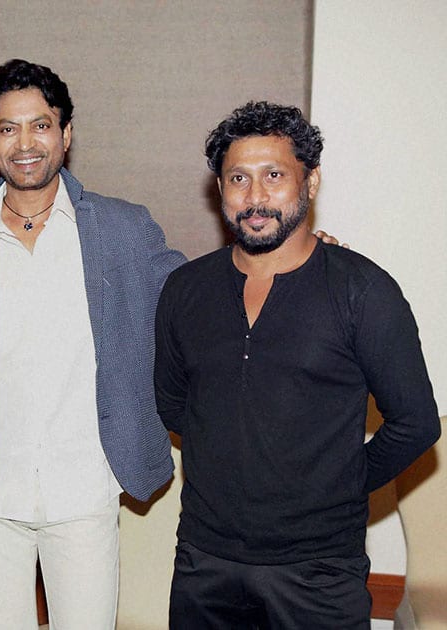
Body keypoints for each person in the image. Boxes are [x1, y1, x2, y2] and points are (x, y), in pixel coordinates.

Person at [0, 59, 187, 629]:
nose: (25, 143)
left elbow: (195, 299)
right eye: (8, 128)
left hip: (85, 487)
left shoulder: (122, 230)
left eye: (41, 125)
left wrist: (290, 258)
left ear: (66, 134)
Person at [154, 101, 441, 629]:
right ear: (219, 190)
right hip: (205, 561)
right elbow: (173, 404)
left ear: (309, 184)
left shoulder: (363, 291)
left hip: (319, 571)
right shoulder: (185, 289)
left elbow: (416, 423)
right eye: (238, 177)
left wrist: (340, 483)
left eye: (274, 176)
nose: (255, 196)